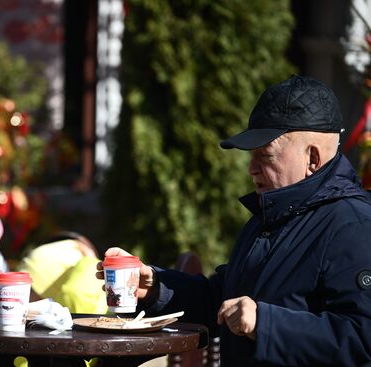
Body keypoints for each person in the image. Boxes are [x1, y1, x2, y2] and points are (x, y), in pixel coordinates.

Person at [97, 75, 371, 366]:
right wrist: (156, 288)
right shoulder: (272, 216)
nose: (252, 169)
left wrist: (266, 324)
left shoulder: (353, 226)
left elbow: (363, 338)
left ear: (312, 159)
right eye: (251, 156)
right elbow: (224, 301)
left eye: (265, 156)